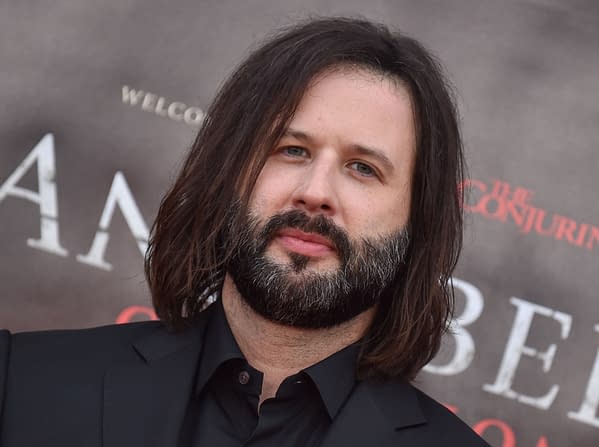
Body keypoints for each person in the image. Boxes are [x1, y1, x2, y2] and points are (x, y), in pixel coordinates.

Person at [0, 17, 490, 447]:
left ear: (417, 218)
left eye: (362, 168)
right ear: (229, 171)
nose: (315, 192)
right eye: (291, 149)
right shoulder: (22, 384)